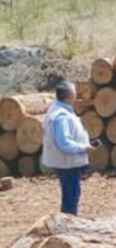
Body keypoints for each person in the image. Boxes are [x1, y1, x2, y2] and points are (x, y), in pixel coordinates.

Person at [41, 81, 95, 215]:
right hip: (67, 163)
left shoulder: (58, 110)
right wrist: (83, 148)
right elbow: (64, 143)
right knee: (70, 196)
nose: (77, 96)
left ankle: (68, 223)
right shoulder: (61, 117)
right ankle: (67, 226)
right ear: (70, 96)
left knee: (72, 194)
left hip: (67, 162)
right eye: (75, 93)